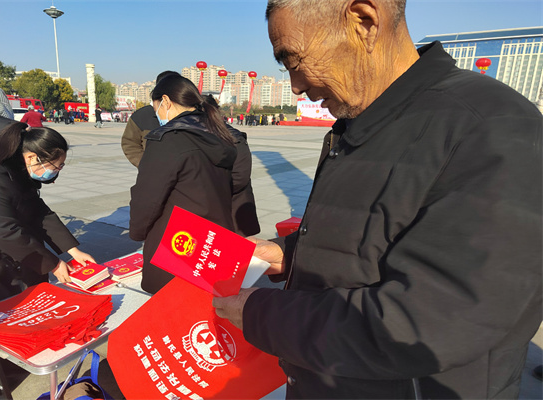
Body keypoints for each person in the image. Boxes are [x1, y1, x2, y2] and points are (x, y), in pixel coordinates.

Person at [213, 1, 542, 399]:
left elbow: (432, 322)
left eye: (294, 60)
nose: (296, 85)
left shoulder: (492, 128)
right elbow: (374, 233)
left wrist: (260, 313)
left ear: (363, 21)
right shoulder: (361, 123)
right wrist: (289, 252)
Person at [0, 122, 95, 306]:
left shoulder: (14, 168)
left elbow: (38, 211)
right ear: (32, 157)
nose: (56, 173)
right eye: (55, 167)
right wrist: (53, 264)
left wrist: (72, 250)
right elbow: (5, 231)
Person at [129, 74, 237, 294]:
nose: (157, 115)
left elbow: (147, 198)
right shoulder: (217, 134)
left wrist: (138, 231)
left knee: (175, 305)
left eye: (156, 108)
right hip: (215, 242)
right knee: (209, 304)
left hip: (178, 245)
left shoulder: (167, 140)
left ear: (166, 101)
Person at [204, 95, 260, 237]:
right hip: (210, 209)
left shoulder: (234, 137)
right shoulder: (198, 135)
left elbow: (240, 177)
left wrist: (207, 190)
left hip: (233, 209)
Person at [121, 71, 180, 167]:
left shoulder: (186, 113)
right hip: (153, 170)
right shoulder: (140, 116)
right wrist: (145, 164)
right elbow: (129, 143)